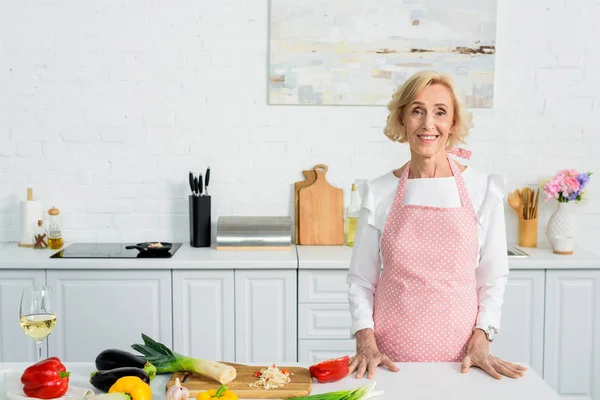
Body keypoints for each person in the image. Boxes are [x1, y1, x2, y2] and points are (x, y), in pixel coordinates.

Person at [346, 71, 527, 380]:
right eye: (417, 111)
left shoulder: (483, 190)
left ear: (453, 122)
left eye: (440, 112)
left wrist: (483, 339)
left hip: (463, 360)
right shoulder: (377, 193)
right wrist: (365, 342)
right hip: (387, 360)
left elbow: (492, 278)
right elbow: (361, 280)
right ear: (402, 119)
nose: (428, 123)